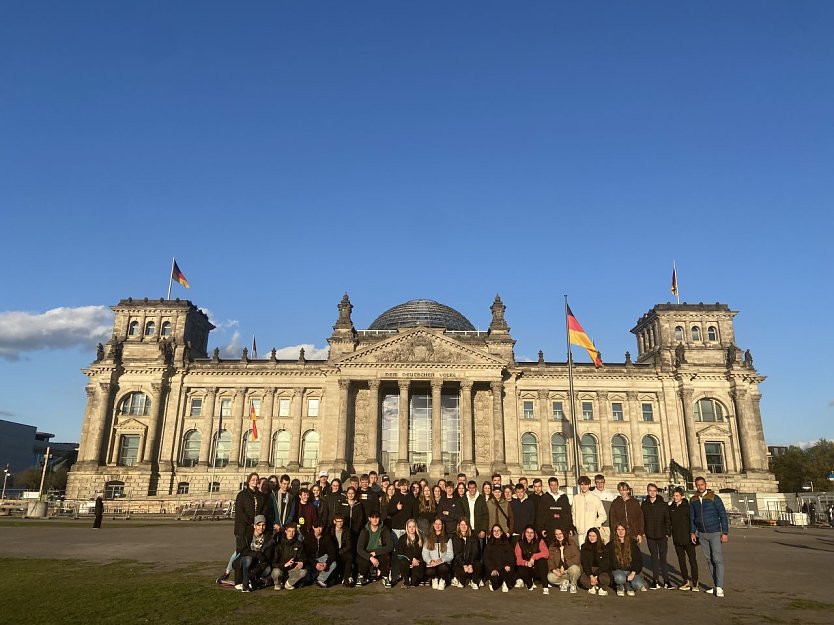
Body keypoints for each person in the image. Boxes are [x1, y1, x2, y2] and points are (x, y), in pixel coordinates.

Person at [690, 476, 729, 597]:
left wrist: (725, 532)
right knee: (709, 560)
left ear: (705, 485)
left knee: (717, 559)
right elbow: (692, 517)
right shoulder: (693, 500)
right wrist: (692, 532)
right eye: (697, 485)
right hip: (702, 534)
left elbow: (723, 515)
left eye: (701, 484)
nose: (700, 487)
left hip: (715, 532)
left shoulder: (714, 498)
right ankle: (716, 585)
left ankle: (719, 587)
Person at [641, 483, 673, 589]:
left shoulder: (663, 504)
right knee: (654, 558)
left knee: (663, 559)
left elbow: (668, 519)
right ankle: (655, 580)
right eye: (650, 490)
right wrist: (643, 532)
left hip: (662, 535)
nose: (652, 492)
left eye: (654, 490)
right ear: (647, 491)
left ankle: (666, 581)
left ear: (657, 491)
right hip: (650, 535)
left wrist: (668, 532)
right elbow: (643, 520)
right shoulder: (644, 504)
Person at [233, 515, 275, 592]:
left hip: (257, 565)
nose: (261, 527)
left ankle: (252, 579)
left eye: (263, 525)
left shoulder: (268, 538)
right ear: (254, 526)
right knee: (248, 559)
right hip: (244, 561)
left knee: (268, 569)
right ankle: (245, 584)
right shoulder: (246, 535)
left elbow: (266, 558)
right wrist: (257, 554)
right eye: (258, 525)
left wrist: (254, 572)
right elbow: (242, 550)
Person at [669, 487, 699, 591]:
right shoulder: (671, 507)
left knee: (692, 560)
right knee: (681, 561)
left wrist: (693, 533)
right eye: (674, 495)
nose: (675, 497)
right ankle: (685, 581)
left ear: (681, 496)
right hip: (677, 538)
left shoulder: (687, 507)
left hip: (688, 538)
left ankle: (695, 582)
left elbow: (692, 521)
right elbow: (669, 522)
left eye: (677, 496)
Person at [356, 510, 394, 587]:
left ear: (379, 518)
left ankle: (385, 577)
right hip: (368, 552)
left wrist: (376, 553)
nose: (375, 519)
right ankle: (361, 576)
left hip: (379, 551)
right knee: (363, 560)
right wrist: (370, 557)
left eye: (377, 517)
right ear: (369, 519)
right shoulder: (364, 530)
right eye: (372, 517)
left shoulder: (384, 529)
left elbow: (390, 546)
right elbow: (359, 548)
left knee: (385, 558)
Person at [608, 523, 646, 596]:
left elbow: (638, 561)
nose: (621, 532)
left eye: (623, 529)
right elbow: (610, 562)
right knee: (620, 578)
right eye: (618, 530)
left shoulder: (632, 543)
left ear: (626, 531)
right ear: (615, 531)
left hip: (630, 570)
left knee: (638, 585)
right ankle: (620, 586)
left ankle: (628, 586)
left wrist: (632, 573)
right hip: (617, 570)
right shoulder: (610, 545)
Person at [536, 477, 572, 544]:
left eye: (555, 485)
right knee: (552, 549)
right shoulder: (545, 498)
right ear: (549, 486)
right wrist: (542, 529)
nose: (554, 487)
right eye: (552, 485)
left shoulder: (564, 497)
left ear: (558, 485)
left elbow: (568, 513)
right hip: (550, 530)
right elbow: (540, 515)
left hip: (563, 529)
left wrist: (570, 528)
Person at [514, 525, 550, 594]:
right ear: (524, 533)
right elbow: (518, 560)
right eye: (527, 532)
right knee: (520, 569)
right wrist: (526, 563)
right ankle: (529, 583)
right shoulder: (519, 543)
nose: (529, 534)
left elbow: (546, 553)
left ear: (535, 533)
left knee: (543, 561)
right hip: (527, 568)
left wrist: (534, 557)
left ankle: (545, 587)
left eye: (531, 532)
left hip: (537, 568)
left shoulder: (540, 541)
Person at [271, 522, 306, 591]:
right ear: (286, 531)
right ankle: (278, 584)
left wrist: (301, 562)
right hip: (281, 569)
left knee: (304, 572)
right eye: (289, 531)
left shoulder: (299, 544)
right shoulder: (279, 544)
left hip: (292, 570)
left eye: (293, 531)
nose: (291, 533)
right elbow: (273, 563)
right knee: (276, 572)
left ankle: (289, 583)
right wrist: (284, 565)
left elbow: (303, 557)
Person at [573, 476, 607, 545]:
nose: (584, 486)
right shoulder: (576, 498)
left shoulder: (595, 498)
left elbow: (603, 515)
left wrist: (595, 525)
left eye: (585, 484)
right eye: (582, 485)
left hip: (592, 532)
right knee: (582, 551)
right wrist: (576, 525)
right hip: (581, 532)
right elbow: (573, 514)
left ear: (589, 485)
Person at [303, 519, 337, 587]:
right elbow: (305, 555)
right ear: (313, 527)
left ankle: (320, 579)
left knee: (333, 564)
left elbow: (332, 552)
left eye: (320, 527)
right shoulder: (308, 538)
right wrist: (315, 564)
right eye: (317, 527)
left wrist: (326, 563)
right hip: (311, 559)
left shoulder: (327, 537)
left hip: (323, 557)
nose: (319, 529)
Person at [546, 527, 580, 594]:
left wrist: (565, 566)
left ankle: (573, 585)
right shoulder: (552, 546)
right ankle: (564, 582)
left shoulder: (571, 543)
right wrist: (554, 570)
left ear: (564, 534)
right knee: (550, 577)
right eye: (556, 534)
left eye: (560, 533)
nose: (559, 536)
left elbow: (577, 558)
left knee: (575, 569)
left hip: (569, 569)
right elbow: (550, 560)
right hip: (559, 571)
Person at [423, 517, 454, 590]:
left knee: (443, 568)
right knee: (429, 571)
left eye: (439, 524)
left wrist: (441, 560)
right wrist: (430, 561)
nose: (437, 526)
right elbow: (425, 553)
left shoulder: (447, 538)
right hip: (432, 563)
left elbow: (450, 555)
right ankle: (434, 578)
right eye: (436, 524)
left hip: (443, 563)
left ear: (442, 526)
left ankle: (442, 580)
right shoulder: (428, 538)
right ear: (433, 525)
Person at [483, 524, 516, 592]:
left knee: (509, 577)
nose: (496, 532)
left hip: (504, 568)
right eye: (494, 531)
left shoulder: (506, 543)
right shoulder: (489, 545)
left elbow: (511, 556)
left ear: (501, 532)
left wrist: (509, 565)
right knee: (495, 586)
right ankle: (494, 581)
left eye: (498, 530)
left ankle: (505, 582)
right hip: (494, 569)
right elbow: (487, 559)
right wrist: (492, 569)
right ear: (492, 533)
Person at [452, 518, 482, 590]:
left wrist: (470, 564)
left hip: (471, 561)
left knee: (478, 565)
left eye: (465, 524)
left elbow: (475, 552)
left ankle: (474, 581)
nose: (463, 526)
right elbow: (456, 553)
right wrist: (464, 565)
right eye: (462, 524)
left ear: (468, 526)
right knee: (463, 572)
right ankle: (461, 581)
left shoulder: (473, 537)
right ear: (458, 526)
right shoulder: (455, 537)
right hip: (460, 562)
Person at [579, 527, 610, 596]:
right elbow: (585, 563)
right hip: (590, 569)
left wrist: (596, 575)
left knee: (605, 579)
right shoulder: (584, 547)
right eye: (590, 536)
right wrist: (591, 576)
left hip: (600, 569)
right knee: (583, 580)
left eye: (593, 536)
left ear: (597, 536)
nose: (591, 538)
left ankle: (601, 587)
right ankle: (592, 586)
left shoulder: (603, 548)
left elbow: (605, 564)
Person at [397, 518, 426, 588]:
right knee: (403, 562)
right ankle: (406, 581)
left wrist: (418, 561)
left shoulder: (420, 539)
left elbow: (424, 553)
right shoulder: (402, 538)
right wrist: (411, 559)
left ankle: (414, 580)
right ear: (407, 528)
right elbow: (400, 553)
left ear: (416, 527)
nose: (412, 529)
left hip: (417, 561)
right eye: (410, 527)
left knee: (414, 583)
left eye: (413, 526)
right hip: (406, 561)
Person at [329, 513, 355, 586]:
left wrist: (341, 551)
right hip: (333, 552)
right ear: (334, 522)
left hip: (342, 551)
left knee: (349, 556)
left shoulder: (346, 530)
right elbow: (328, 544)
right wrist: (335, 552)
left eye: (341, 521)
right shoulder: (330, 531)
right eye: (338, 521)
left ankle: (346, 577)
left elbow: (349, 545)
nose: (340, 523)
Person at [591, 474, 616, 542]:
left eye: (601, 482)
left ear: (604, 482)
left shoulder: (610, 494)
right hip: (595, 524)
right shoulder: (592, 494)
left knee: (607, 544)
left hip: (607, 525)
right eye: (598, 483)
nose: (600, 485)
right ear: (595, 483)